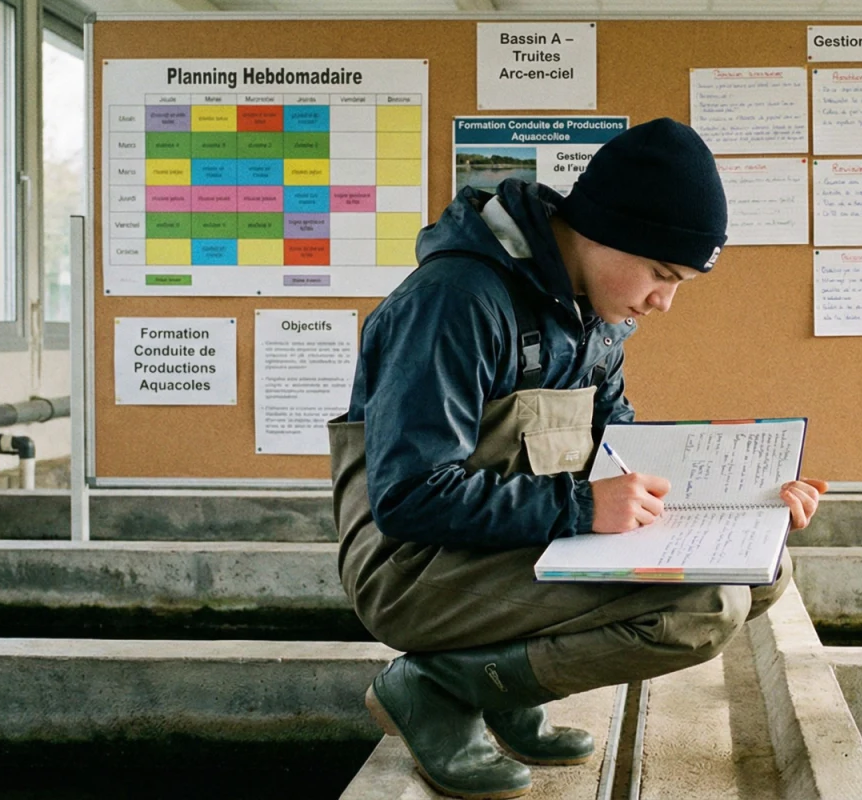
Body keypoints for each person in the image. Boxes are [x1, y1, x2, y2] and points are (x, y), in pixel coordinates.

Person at [328, 118, 827, 800]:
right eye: (660, 273)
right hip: (413, 567)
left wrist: (749, 502)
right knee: (702, 606)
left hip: (514, 542)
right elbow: (411, 496)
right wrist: (583, 505)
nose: (664, 302)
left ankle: (498, 681)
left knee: (764, 568)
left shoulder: (592, 317)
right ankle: (440, 689)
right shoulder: (455, 303)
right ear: (602, 230)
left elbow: (620, 450)